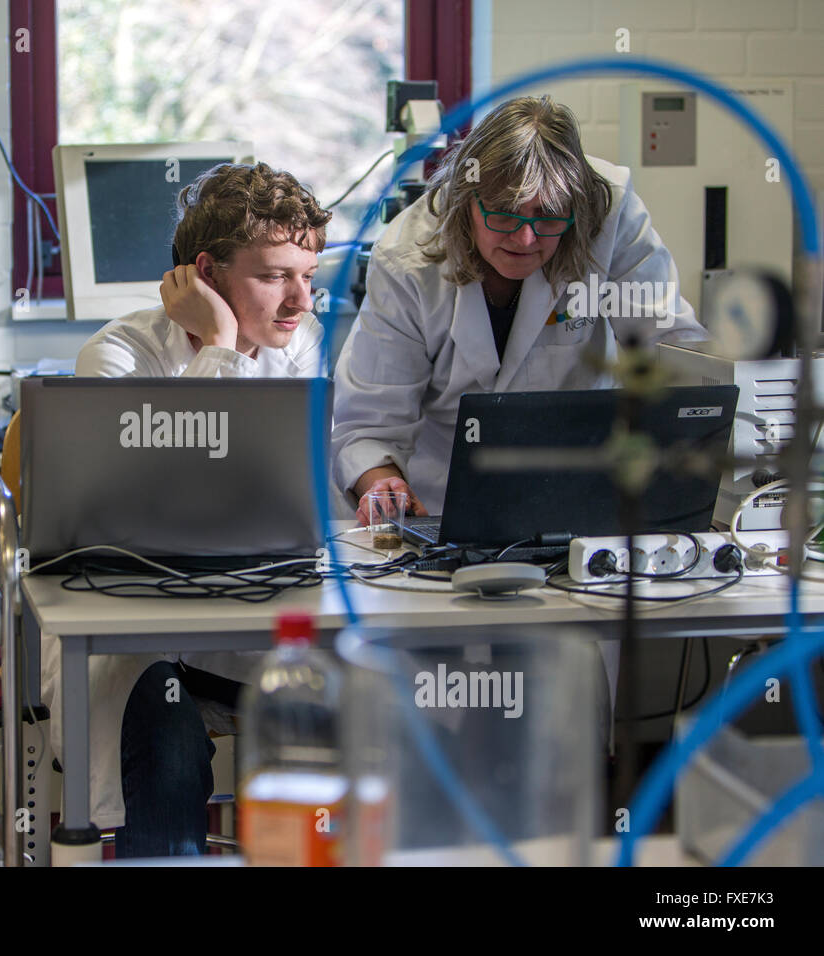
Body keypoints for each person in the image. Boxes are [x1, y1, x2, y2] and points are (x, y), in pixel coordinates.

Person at [42, 161, 331, 857]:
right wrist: (222, 347)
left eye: (309, 277)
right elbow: (158, 509)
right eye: (274, 277)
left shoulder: (299, 351)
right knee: (170, 746)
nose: (300, 303)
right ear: (205, 274)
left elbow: (288, 502)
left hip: (249, 628)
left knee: (344, 721)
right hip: (139, 641)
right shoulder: (117, 356)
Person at [331, 95, 708, 522]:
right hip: (442, 499)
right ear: (466, 201)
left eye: (547, 216)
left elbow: (671, 356)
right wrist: (382, 483)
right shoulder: (410, 258)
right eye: (505, 215)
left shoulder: (609, 217)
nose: (526, 239)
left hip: (585, 489)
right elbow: (369, 423)